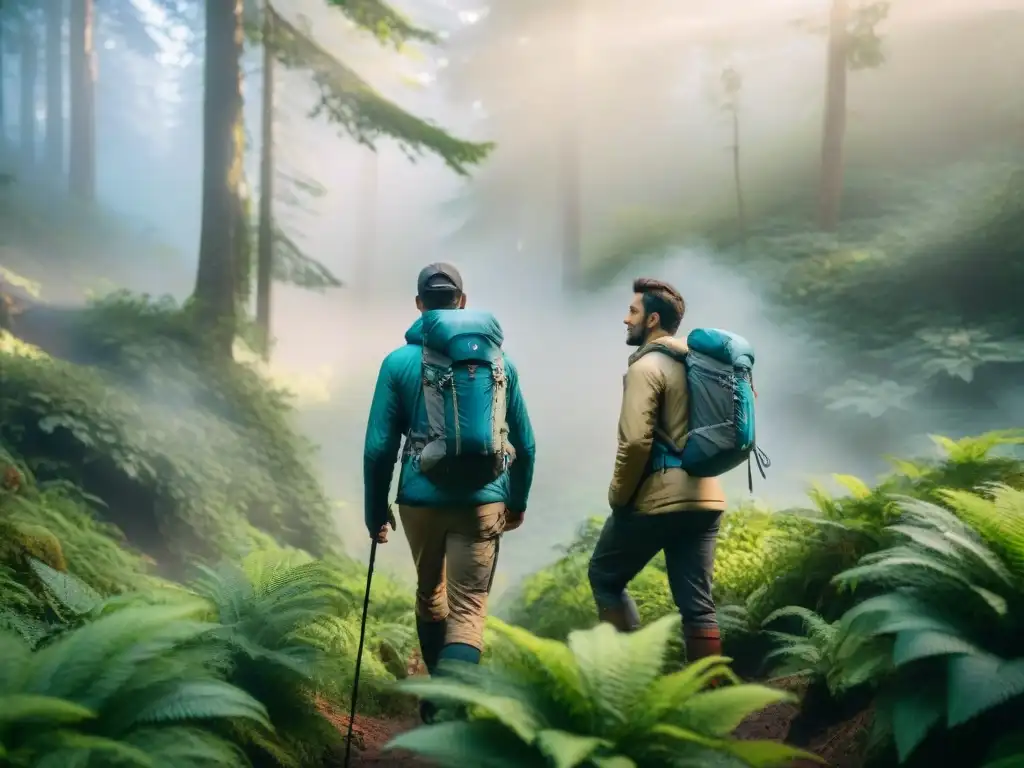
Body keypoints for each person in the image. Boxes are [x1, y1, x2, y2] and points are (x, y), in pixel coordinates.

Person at [362, 263, 536, 700]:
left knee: (430, 593)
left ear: (420, 305)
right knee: (469, 608)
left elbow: (378, 449)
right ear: (462, 301)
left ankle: (439, 694)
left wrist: (374, 511)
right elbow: (526, 445)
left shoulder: (398, 363)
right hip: (483, 500)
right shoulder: (500, 364)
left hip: (419, 501)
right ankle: (451, 709)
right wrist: (518, 501)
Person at [587, 277, 728, 662]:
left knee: (604, 576)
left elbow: (635, 442)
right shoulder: (703, 366)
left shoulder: (646, 367)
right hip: (707, 498)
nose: (625, 319)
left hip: (659, 497)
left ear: (652, 320)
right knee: (698, 606)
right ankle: (712, 698)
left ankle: (632, 681)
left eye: (632, 311)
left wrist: (619, 496)